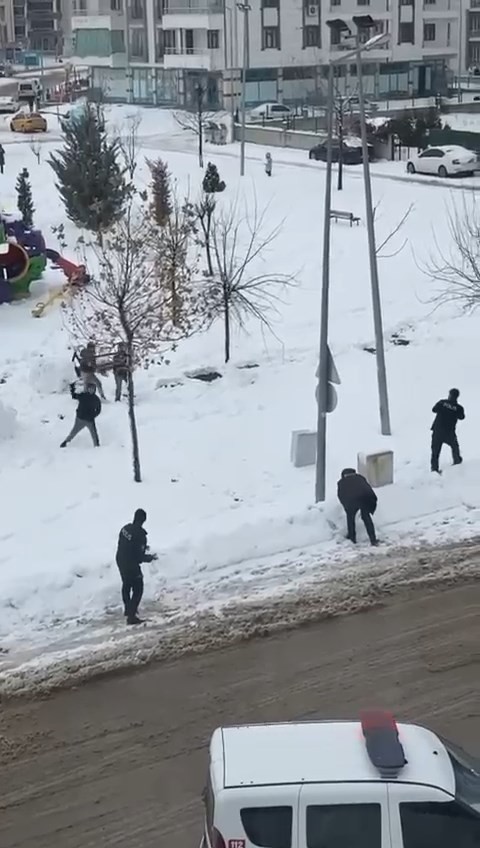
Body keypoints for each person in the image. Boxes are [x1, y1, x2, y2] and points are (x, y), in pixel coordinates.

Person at [116, 509, 158, 625]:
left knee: (126, 585)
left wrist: (142, 547)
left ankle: (128, 608)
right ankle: (131, 615)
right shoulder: (141, 536)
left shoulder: (125, 529)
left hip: (120, 560)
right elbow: (139, 557)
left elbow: (127, 544)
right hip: (131, 564)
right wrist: (150, 557)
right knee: (138, 587)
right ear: (144, 520)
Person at [337, 468, 378, 546]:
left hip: (351, 501)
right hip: (364, 499)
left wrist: (346, 506)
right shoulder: (360, 478)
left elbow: (341, 495)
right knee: (366, 518)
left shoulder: (341, 482)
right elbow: (368, 489)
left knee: (350, 519)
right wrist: (372, 502)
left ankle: (352, 538)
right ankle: (373, 539)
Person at [431, 388, 465, 474]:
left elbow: (434, 409)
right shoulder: (459, 408)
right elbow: (462, 417)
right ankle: (457, 462)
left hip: (437, 430)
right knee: (455, 447)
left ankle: (434, 469)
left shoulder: (442, 402)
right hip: (449, 432)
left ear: (449, 394)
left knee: (435, 451)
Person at [60, 382, 101, 447]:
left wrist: (93, 415)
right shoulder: (83, 395)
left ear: (94, 390)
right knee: (74, 432)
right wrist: (72, 388)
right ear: (88, 389)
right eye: (90, 388)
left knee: (94, 434)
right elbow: (74, 396)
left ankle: (97, 446)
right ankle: (65, 442)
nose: (91, 390)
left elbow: (98, 409)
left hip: (90, 420)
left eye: (93, 389)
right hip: (80, 419)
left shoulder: (96, 399)